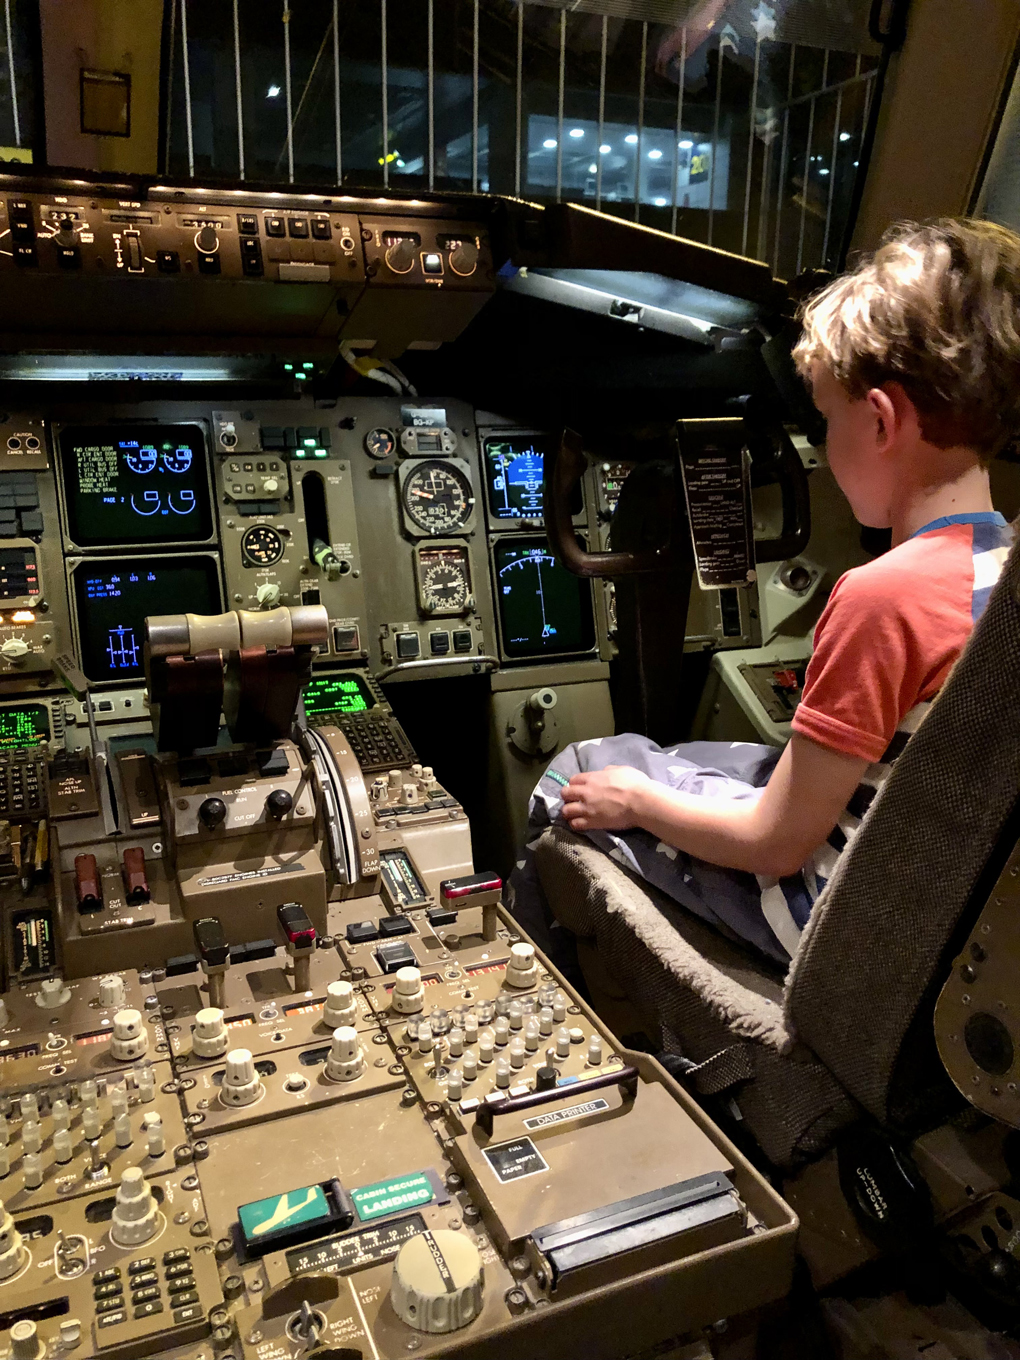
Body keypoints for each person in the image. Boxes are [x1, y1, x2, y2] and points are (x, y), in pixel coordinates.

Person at [507, 218, 1020, 968]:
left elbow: (774, 844)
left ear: (879, 421)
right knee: (707, 759)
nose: (825, 440)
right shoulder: (1001, 569)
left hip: (825, 914)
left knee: (585, 772)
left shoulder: (885, 597)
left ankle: (544, 1005)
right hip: (932, 908)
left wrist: (636, 803)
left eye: (826, 418)